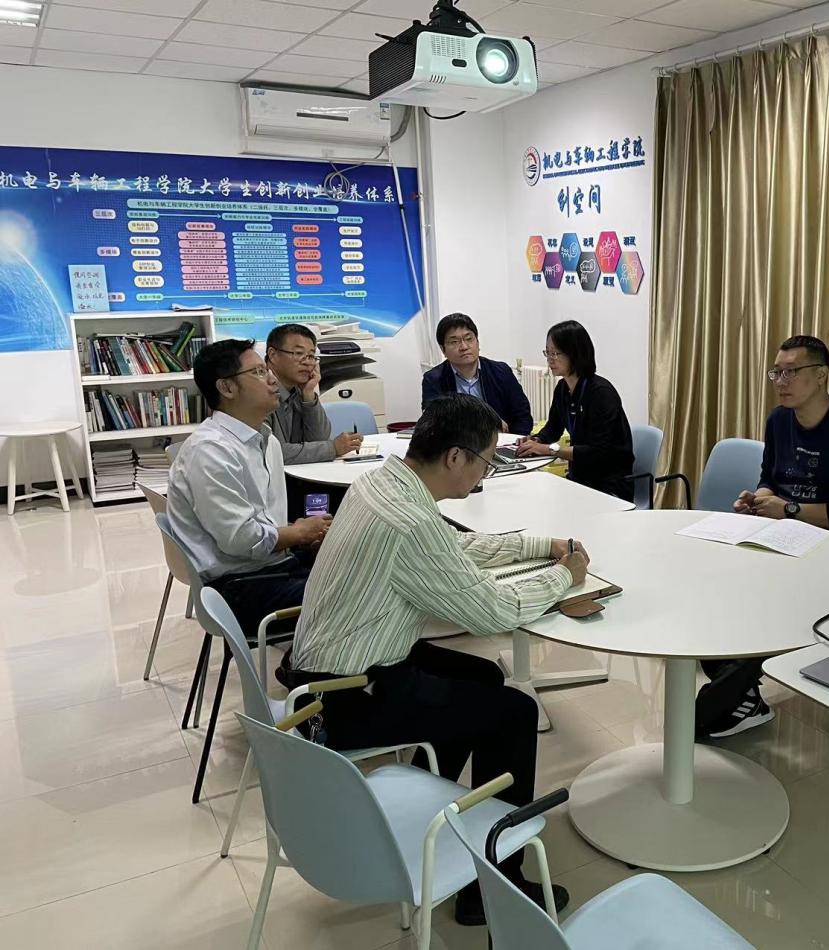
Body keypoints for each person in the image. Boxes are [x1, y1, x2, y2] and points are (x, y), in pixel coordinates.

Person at [286, 394, 588, 925]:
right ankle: (494, 889)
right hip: (346, 697)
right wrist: (565, 576)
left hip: (332, 670)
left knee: (483, 674)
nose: (486, 473)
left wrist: (544, 546)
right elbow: (493, 612)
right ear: (454, 457)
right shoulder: (408, 520)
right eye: (486, 461)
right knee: (514, 712)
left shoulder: (383, 483)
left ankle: (438, 804)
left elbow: (450, 552)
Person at [698, 334, 829, 739]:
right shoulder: (779, 421)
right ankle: (735, 688)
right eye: (776, 373)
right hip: (783, 537)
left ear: (820, 376)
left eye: (791, 372)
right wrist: (758, 498)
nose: (781, 382)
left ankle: (730, 696)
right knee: (720, 584)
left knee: (774, 603)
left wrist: (790, 509)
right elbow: (770, 477)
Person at [167, 339, 332, 638]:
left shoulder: (266, 440)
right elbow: (241, 540)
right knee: (360, 594)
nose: (272, 380)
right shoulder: (211, 451)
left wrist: (301, 535)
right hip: (237, 587)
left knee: (362, 563)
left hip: (269, 565)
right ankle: (316, 664)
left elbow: (262, 521)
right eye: (257, 372)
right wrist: (297, 533)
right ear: (227, 388)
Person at [515, 320, 635, 501]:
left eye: (556, 353)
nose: (550, 359)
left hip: (609, 483)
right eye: (547, 352)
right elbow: (553, 429)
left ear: (576, 353)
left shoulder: (601, 393)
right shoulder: (562, 388)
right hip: (580, 478)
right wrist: (535, 440)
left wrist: (548, 449)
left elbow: (598, 452)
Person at [264, 323, 363, 464]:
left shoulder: (297, 388)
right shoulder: (257, 392)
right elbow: (271, 452)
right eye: (299, 353)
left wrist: (309, 395)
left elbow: (319, 438)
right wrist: (332, 448)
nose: (307, 362)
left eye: (311, 356)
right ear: (273, 355)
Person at [421, 313, 534, 435]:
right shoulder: (433, 379)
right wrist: (487, 420)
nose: (464, 347)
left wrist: (513, 441)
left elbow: (522, 415)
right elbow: (434, 421)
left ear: (478, 342)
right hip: (457, 443)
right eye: (454, 342)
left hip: (502, 441)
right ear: (443, 349)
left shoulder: (501, 372)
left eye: (469, 339)